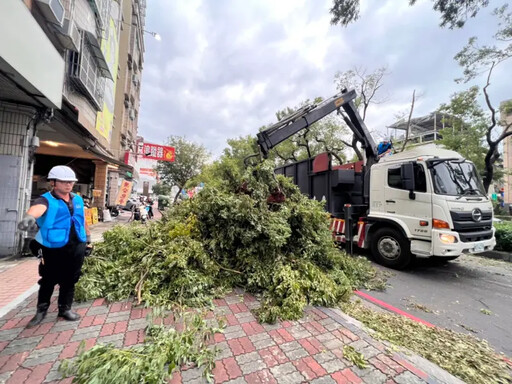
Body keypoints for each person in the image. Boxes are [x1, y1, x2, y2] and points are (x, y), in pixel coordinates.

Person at [17, 166, 93, 328]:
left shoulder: (77, 199)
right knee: (48, 280)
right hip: (53, 248)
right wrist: (29, 218)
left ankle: (65, 309)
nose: (68, 185)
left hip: (76, 245)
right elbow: (37, 209)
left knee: (70, 279)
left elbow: (82, 220)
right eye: (64, 182)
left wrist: (88, 239)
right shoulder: (45, 200)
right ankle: (41, 311)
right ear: (53, 182)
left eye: (71, 182)